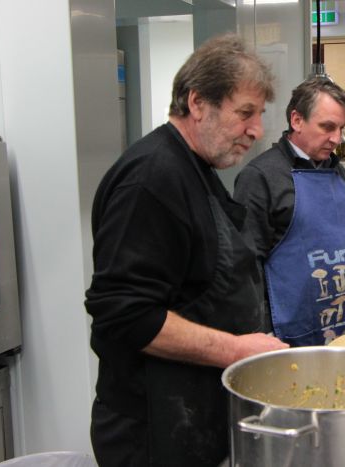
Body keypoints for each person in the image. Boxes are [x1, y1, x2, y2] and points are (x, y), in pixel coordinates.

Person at [84, 34, 288, 467]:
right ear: (197, 102)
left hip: (193, 419)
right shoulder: (151, 179)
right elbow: (125, 315)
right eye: (245, 113)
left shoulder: (195, 167)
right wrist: (235, 350)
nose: (257, 131)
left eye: (259, 115)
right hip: (154, 433)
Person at [233, 78, 345, 347]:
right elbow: (246, 267)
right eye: (327, 127)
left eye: (341, 128)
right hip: (287, 333)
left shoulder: (337, 171)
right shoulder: (260, 177)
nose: (337, 139)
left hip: (341, 321)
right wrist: (260, 331)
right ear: (297, 120)